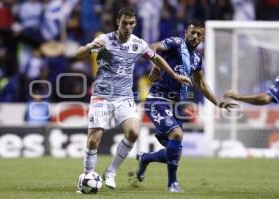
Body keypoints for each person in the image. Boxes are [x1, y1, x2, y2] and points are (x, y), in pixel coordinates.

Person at [75, 7, 192, 190]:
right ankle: (87, 175)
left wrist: (174, 75)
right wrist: (91, 46)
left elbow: (157, 58)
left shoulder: (138, 44)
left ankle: (111, 171)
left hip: (124, 96)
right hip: (102, 96)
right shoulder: (105, 40)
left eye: (131, 23)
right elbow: (78, 54)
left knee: (133, 132)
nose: (128, 27)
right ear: (118, 23)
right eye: (124, 23)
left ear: (135, 24)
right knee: (93, 140)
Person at [135, 22, 238, 192]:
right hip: (158, 99)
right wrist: (155, 66)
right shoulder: (176, 43)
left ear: (202, 38)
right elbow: (153, 47)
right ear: (186, 33)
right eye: (192, 33)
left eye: (199, 34)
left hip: (176, 105)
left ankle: (145, 158)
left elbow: (202, 85)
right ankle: (172, 184)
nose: (195, 37)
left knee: (174, 153)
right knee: (177, 133)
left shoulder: (197, 59)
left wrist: (218, 102)